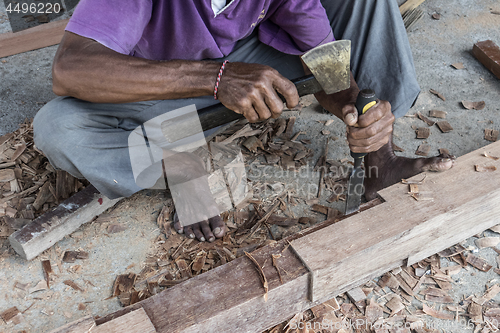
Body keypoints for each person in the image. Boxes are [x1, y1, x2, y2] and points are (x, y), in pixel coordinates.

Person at [33, 0, 453, 243]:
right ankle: (180, 162)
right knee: (59, 128)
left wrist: (351, 103)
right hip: (152, 90)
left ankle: (380, 159)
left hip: (245, 62)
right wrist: (216, 79)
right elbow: (69, 68)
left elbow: (322, 54)